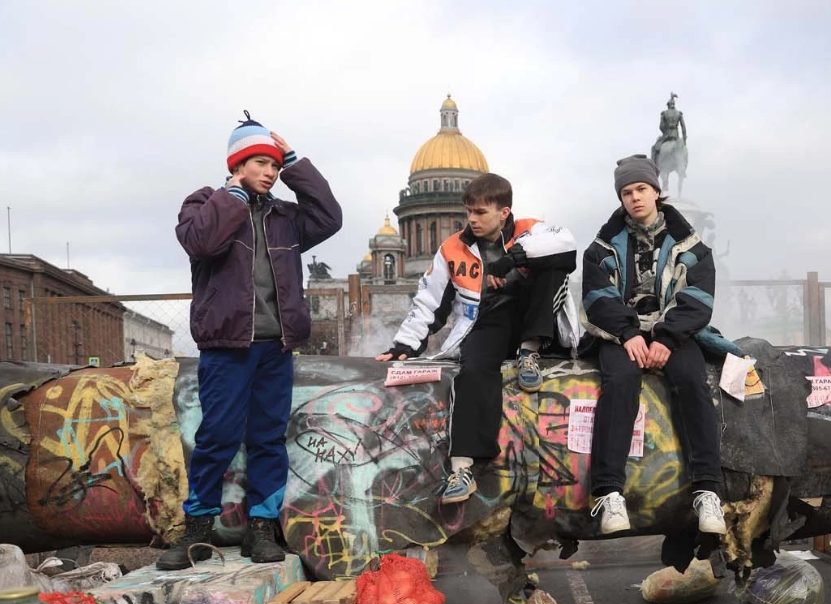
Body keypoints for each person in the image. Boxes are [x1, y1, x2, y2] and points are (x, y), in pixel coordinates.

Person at [158, 112, 342, 570]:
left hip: (274, 347)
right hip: (227, 346)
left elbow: (330, 216)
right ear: (238, 163)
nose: (270, 173)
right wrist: (234, 196)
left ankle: (262, 527)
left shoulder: (286, 217)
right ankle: (196, 529)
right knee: (216, 437)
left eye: (276, 167)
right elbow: (200, 243)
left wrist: (297, 163)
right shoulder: (204, 202)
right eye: (261, 163)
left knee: (267, 439)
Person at [377, 173, 579, 504]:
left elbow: (566, 247)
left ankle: (529, 352)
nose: (472, 219)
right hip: (488, 320)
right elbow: (429, 302)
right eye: (469, 211)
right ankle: (463, 469)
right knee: (472, 372)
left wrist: (511, 264)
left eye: (481, 212)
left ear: (504, 212)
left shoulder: (531, 228)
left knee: (552, 269)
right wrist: (402, 346)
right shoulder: (452, 248)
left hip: (537, 322)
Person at [582, 154, 725, 536]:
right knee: (621, 381)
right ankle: (609, 492)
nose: (634, 198)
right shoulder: (602, 247)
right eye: (626, 192)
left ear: (657, 192)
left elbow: (698, 295)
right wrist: (628, 334)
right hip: (620, 334)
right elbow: (598, 297)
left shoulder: (690, 244)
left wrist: (666, 337)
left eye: (641, 189)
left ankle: (708, 490)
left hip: (672, 332)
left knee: (693, 381)